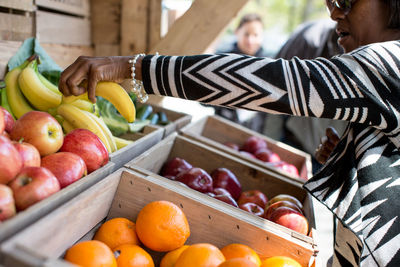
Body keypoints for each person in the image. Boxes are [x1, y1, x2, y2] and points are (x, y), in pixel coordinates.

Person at [59, 0, 400, 265]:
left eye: (348, 0)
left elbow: (266, 82)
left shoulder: (388, 62)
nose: (335, 13)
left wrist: (131, 67)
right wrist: (356, 155)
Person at [267, 18, 348, 174]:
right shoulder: (310, 38)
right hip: (289, 144)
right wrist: (270, 148)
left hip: (328, 164)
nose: (336, 12)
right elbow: (276, 94)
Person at [214, 13, 268, 132]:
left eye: (255, 35)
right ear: (237, 32)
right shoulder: (223, 60)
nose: (250, 40)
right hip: (222, 124)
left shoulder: (267, 65)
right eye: (246, 34)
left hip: (253, 129)